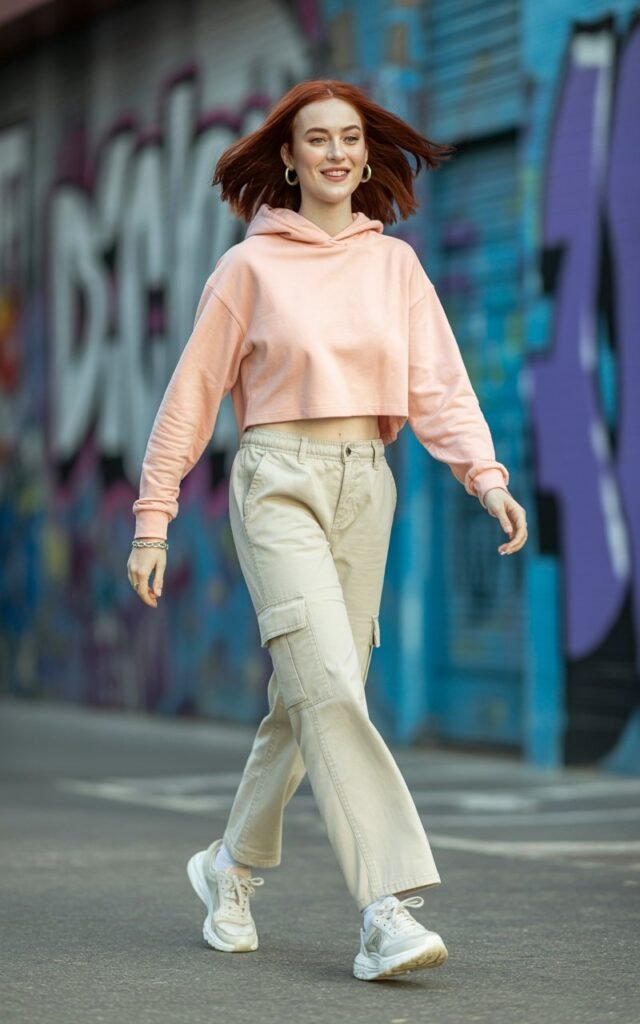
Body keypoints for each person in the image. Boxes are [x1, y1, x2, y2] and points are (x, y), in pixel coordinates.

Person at [127, 78, 528, 982]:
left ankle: (227, 867)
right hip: (277, 482)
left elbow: (439, 385)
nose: (338, 153)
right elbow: (188, 401)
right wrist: (154, 519)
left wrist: (485, 477)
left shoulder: (396, 268)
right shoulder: (248, 269)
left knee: (312, 693)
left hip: (366, 485)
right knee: (332, 694)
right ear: (289, 156)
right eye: (319, 140)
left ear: (365, 153)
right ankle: (386, 909)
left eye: (351, 138)